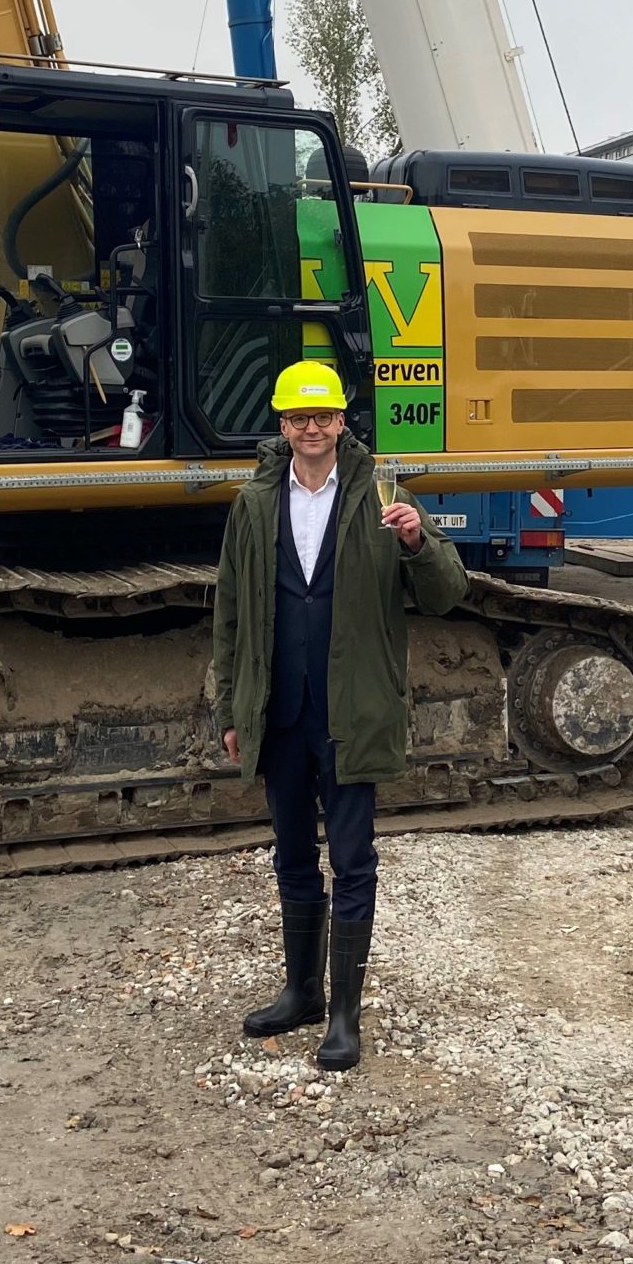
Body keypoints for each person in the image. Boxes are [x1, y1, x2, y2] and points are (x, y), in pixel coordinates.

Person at [209, 359, 469, 1072]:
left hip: (351, 710)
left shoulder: (384, 496)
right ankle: (302, 994)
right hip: (282, 709)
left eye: (323, 416)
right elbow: (229, 611)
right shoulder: (255, 503)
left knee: (352, 859)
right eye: (299, 418)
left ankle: (346, 1015)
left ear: (342, 421)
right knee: (293, 855)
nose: (312, 428)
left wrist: (419, 542)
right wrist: (230, 704)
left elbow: (448, 594)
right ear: (283, 424)